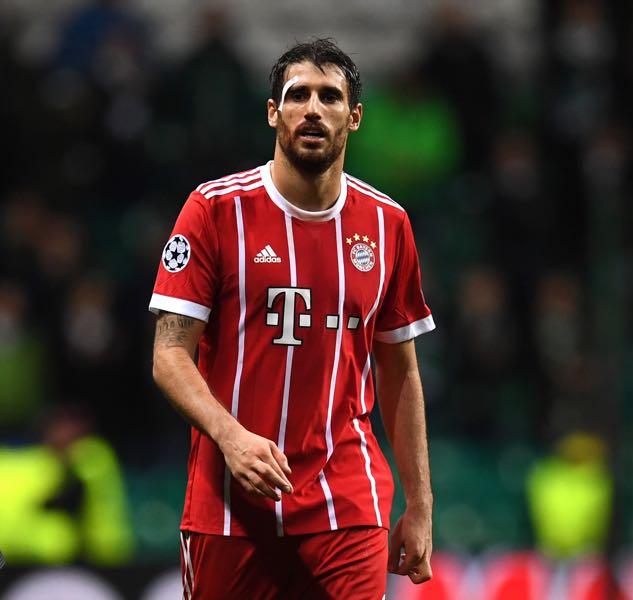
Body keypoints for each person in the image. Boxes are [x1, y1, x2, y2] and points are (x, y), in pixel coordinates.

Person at [149, 38, 435, 599]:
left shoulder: (388, 225)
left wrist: (420, 503)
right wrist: (232, 439)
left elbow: (400, 371)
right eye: (297, 94)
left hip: (346, 498)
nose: (312, 108)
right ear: (272, 112)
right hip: (230, 502)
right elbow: (168, 354)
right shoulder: (214, 210)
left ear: (353, 118)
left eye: (330, 97)